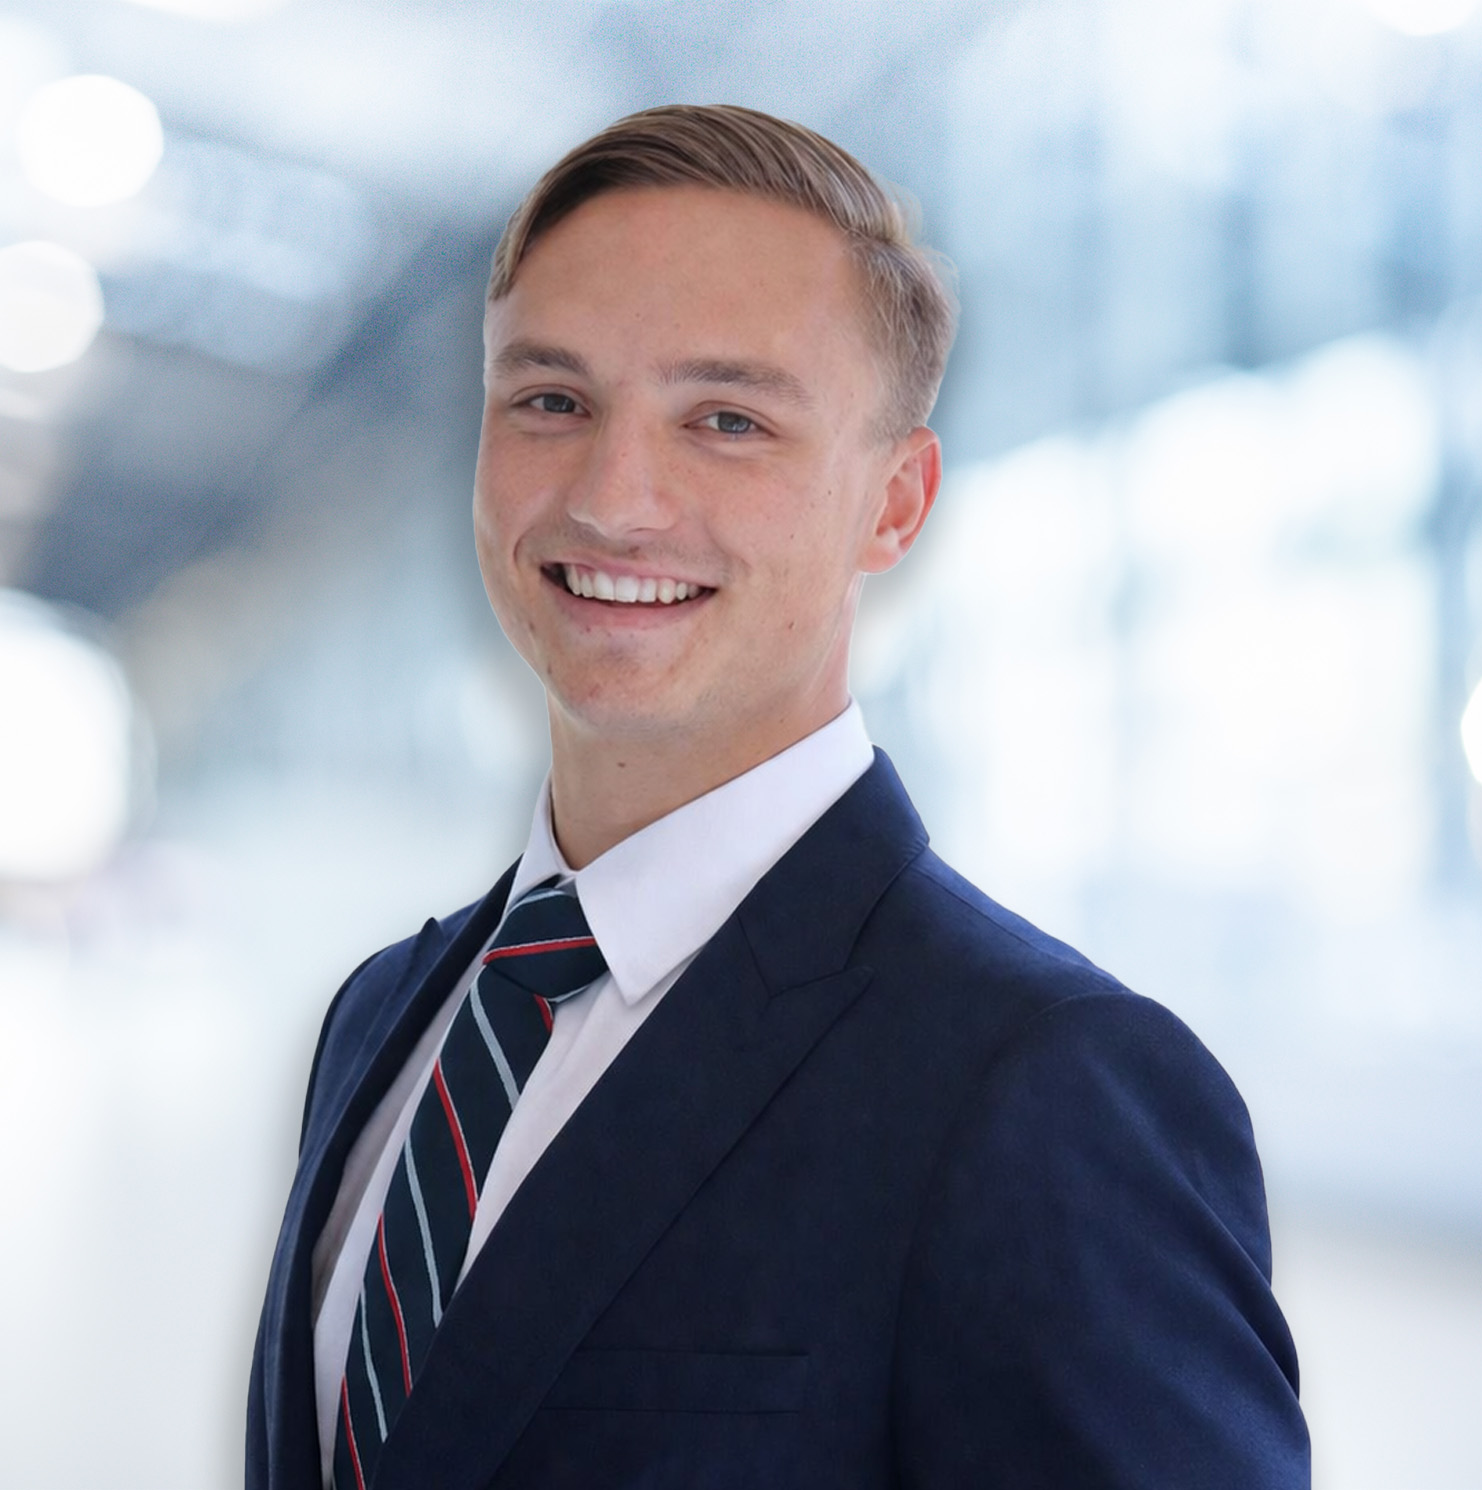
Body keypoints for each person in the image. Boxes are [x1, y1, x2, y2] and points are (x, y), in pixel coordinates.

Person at [247, 105, 1309, 1490]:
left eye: (727, 420)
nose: (614, 499)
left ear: (895, 503)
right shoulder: (384, 1017)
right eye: (551, 400)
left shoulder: (1046, 1089)